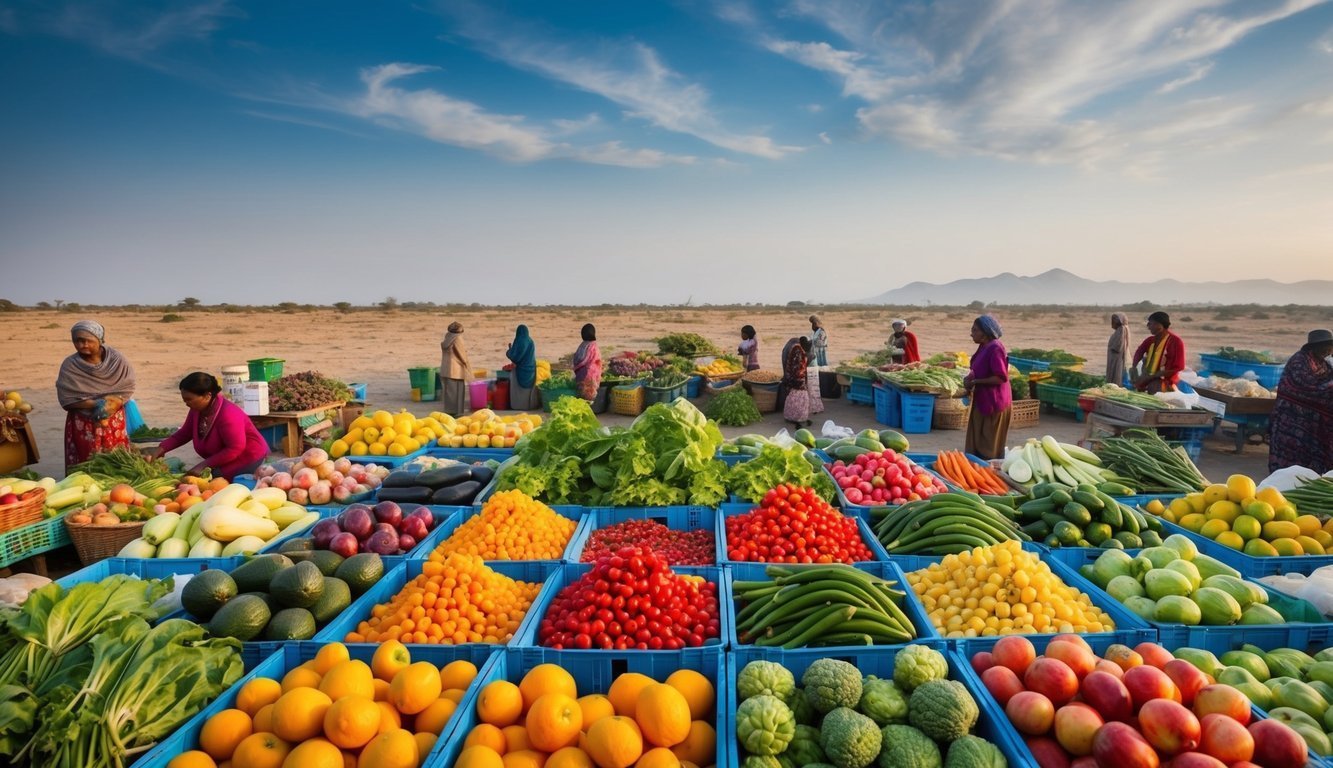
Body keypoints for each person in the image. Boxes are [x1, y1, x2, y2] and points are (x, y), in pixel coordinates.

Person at [154, 372, 269, 479]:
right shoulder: (198, 409)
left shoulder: (228, 414)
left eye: (189, 399)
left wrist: (203, 465)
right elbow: (185, 433)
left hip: (248, 457)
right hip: (223, 459)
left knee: (213, 479)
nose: (186, 404)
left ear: (207, 396)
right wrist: (161, 448)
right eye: (184, 400)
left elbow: (235, 448)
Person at [56, 320, 136, 472]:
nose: (83, 345)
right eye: (78, 341)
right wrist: (95, 404)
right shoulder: (70, 365)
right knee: (87, 462)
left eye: (88, 341)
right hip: (83, 421)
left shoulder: (117, 360)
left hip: (113, 419)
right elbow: (66, 398)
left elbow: (127, 386)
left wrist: (111, 403)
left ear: (99, 340)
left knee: (117, 461)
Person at [1268, 329, 1333, 474]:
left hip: (1311, 421)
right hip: (1291, 418)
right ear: (1315, 347)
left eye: (1330, 348)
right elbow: (1308, 386)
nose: (1328, 351)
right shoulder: (1299, 361)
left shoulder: (1323, 363)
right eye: (1326, 347)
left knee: (1311, 463)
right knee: (1290, 462)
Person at [964, 315, 1012, 460]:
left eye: (975, 330)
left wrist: (975, 382)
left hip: (994, 401)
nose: (971, 333)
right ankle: (976, 467)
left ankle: (988, 473)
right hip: (983, 399)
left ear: (985, 333)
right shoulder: (983, 346)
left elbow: (1001, 377)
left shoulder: (995, 348)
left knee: (988, 443)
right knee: (978, 438)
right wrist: (970, 377)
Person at [1132, 311, 1186, 393]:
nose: (1148, 327)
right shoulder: (1150, 340)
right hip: (1148, 378)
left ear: (1159, 325)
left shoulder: (1176, 342)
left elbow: (1179, 367)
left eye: (1150, 324)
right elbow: (1138, 354)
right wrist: (1134, 370)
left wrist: (1154, 376)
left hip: (1165, 380)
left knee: (1153, 388)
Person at [439, 321, 472, 416]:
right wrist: (467, 366)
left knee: (449, 392)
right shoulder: (457, 339)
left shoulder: (447, 337)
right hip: (456, 369)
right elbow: (462, 355)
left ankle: (449, 411)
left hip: (446, 369)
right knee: (458, 391)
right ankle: (457, 412)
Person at [506, 325, 540, 411]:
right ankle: (529, 405)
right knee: (529, 389)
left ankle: (518, 405)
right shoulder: (530, 341)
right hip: (531, 369)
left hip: (521, 370)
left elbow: (515, 357)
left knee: (519, 389)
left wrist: (509, 351)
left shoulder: (520, 341)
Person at [781, 336, 813, 428]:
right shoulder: (797, 351)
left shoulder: (797, 348)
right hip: (796, 380)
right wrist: (800, 380)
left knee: (794, 398)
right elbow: (797, 368)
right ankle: (797, 418)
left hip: (795, 379)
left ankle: (793, 416)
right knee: (799, 398)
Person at [573, 323, 602, 401]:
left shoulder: (582, 345)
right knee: (589, 397)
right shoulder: (593, 346)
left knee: (581, 395)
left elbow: (576, 360)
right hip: (590, 375)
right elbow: (596, 362)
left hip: (580, 374)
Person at [1106, 313, 1130, 388]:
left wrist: (1111, 348)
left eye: (1114, 320)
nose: (1112, 323)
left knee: (1116, 374)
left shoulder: (1121, 330)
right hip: (1115, 357)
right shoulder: (1120, 330)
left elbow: (1117, 347)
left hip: (1116, 358)